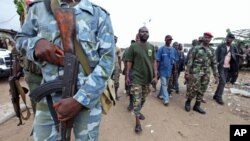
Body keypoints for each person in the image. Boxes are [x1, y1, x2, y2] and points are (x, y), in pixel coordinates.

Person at [15, 0, 115, 140]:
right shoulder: (39, 9)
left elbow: (108, 61)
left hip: (86, 99)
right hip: (49, 99)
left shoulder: (99, 15)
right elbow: (20, 39)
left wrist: (80, 100)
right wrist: (36, 44)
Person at [125, 26, 157, 133]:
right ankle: (137, 123)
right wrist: (127, 76)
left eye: (146, 32)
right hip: (136, 79)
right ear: (139, 33)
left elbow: (154, 62)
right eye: (142, 31)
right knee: (136, 100)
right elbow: (129, 61)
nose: (145, 33)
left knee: (143, 99)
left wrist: (155, 76)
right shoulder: (133, 47)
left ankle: (138, 111)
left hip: (147, 79)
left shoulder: (151, 47)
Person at [185, 32, 219, 114]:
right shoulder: (196, 48)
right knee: (193, 88)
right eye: (205, 37)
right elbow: (190, 61)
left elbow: (214, 63)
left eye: (209, 38)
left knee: (202, 89)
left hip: (206, 73)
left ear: (210, 39)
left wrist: (216, 75)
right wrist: (187, 72)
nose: (207, 39)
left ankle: (197, 105)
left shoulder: (212, 51)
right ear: (203, 38)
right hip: (196, 72)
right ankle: (188, 102)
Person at [213, 33, 236, 105]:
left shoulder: (232, 47)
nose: (229, 39)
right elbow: (216, 56)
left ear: (232, 40)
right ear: (226, 38)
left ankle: (215, 95)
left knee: (223, 82)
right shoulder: (221, 46)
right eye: (228, 37)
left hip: (227, 67)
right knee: (222, 82)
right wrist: (215, 66)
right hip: (221, 66)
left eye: (231, 38)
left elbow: (233, 56)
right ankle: (219, 97)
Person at [156, 35, 176, 105]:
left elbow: (174, 61)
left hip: (169, 71)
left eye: (170, 40)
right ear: (165, 40)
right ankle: (166, 99)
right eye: (168, 39)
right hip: (162, 70)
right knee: (164, 84)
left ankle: (160, 95)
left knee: (165, 84)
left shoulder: (173, 50)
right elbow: (157, 60)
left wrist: (174, 70)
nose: (169, 41)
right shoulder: (161, 49)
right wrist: (156, 71)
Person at [112, 35, 122, 100]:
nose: (115, 40)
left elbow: (119, 59)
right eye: (114, 38)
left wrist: (120, 68)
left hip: (116, 66)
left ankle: (115, 95)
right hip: (108, 67)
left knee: (116, 82)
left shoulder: (118, 49)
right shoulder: (107, 47)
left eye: (116, 39)